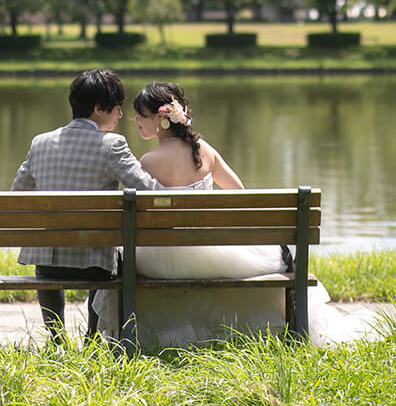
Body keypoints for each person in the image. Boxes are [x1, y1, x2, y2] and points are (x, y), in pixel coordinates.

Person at [96, 80, 371, 347]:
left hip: (162, 260)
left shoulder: (149, 161)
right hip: (212, 250)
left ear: (160, 119)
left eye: (140, 115)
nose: (135, 120)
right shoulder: (205, 152)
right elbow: (239, 194)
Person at [10, 68, 160, 342]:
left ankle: (57, 340)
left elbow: (17, 193)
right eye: (116, 108)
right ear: (97, 109)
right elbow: (148, 190)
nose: (119, 115)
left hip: (47, 262)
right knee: (108, 255)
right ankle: (91, 338)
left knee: (50, 258)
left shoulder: (40, 142)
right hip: (94, 264)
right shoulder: (112, 145)